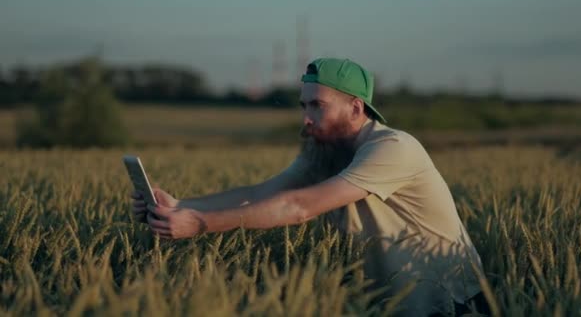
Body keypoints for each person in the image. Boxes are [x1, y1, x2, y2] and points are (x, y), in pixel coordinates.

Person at [131, 57, 488, 316]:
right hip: (393, 302)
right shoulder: (324, 151)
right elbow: (262, 194)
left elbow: (297, 208)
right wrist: (181, 207)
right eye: (304, 105)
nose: (306, 117)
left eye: (317, 105)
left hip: (451, 302)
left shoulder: (393, 147)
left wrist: (198, 225)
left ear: (355, 107)